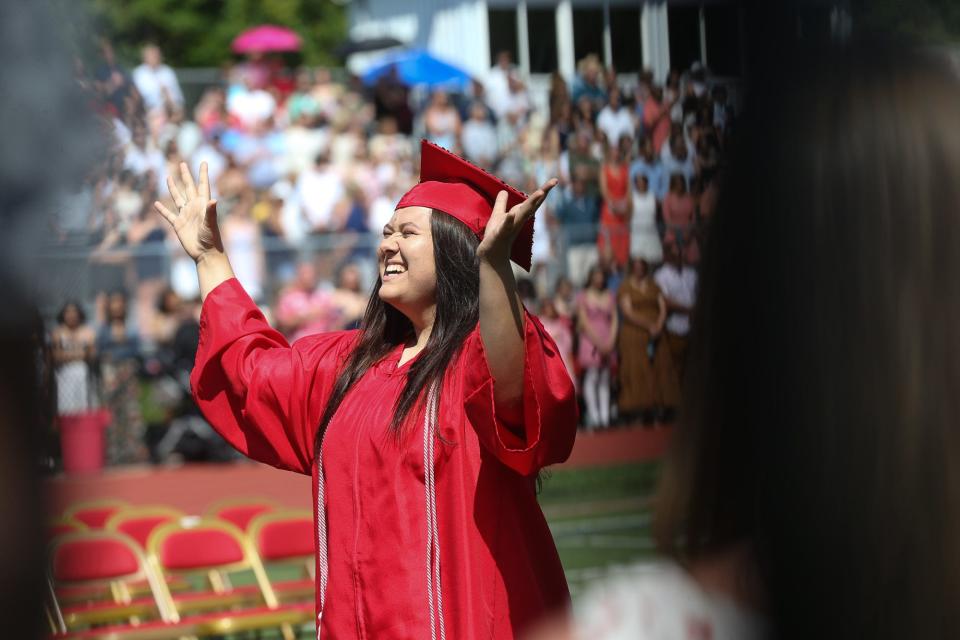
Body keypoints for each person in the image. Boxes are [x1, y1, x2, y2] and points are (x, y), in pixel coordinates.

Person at [155, 139, 578, 638]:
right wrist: (208, 257)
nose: (387, 245)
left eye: (407, 233)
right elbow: (250, 372)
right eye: (386, 232)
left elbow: (514, 387)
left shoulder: (473, 363)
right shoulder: (347, 366)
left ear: (455, 250)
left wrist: (493, 269)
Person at [617, 258, 680, 424]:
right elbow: (627, 312)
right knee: (637, 368)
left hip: (657, 333)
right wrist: (649, 325)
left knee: (662, 367)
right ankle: (638, 409)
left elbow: (663, 306)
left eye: (642, 267)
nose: (639, 270)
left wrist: (658, 324)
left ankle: (662, 406)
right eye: (636, 267)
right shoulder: (625, 287)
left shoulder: (654, 286)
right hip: (635, 334)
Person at [576, 266, 618, 430]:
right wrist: (599, 343)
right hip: (590, 340)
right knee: (592, 376)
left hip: (607, 337)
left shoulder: (610, 295)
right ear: (591, 277)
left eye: (601, 275)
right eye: (596, 275)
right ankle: (594, 416)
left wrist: (611, 340)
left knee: (605, 377)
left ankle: (605, 417)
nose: (599, 279)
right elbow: (583, 322)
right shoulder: (583, 296)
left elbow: (614, 319)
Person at [654, 242, 697, 383]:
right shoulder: (661, 275)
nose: (678, 255)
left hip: (693, 328)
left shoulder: (691, 273)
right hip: (673, 327)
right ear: (667, 256)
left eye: (680, 252)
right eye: (674, 253)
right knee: (674, 367)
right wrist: (689, 310)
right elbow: (665, 300)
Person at [51, 301, 97, 416]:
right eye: (68, 312)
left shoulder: (87, 331)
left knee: (84, 406)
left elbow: (91, 354)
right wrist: (80, 352)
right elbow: (56, 356)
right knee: (66, 407)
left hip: (83, 372)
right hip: (64, 374)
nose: (71, 315)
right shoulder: (57, 332)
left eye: (74, 312)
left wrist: (68, 354)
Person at [597, 141, 631, 268]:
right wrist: (614, 205)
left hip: (622, 211)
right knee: (608, 243)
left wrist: (624, 206)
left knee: (623, 245)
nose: (615, 153)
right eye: (613, 150)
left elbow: (628, 190)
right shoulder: (604, 169)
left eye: (617, 150)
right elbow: (604, 190)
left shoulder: (625, 169)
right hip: (610, 211)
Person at [131, 44, 184, 115]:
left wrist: (168, 99)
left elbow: (178, 98)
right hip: (146, 112)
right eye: (151, 56)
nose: (154, 58)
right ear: (145, 58)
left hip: (168, 112)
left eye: (156, 55)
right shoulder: (138, 74)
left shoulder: (168, 72)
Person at [630, 173, 662, 263]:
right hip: (637, 237)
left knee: (653, 261)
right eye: (638, 182)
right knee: (638, 261)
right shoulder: (631, 198)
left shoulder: (653, 198)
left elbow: (657, 216)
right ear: (635, 184)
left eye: (643, 182)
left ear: (647, 183)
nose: (641, 185)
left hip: (651, 235)